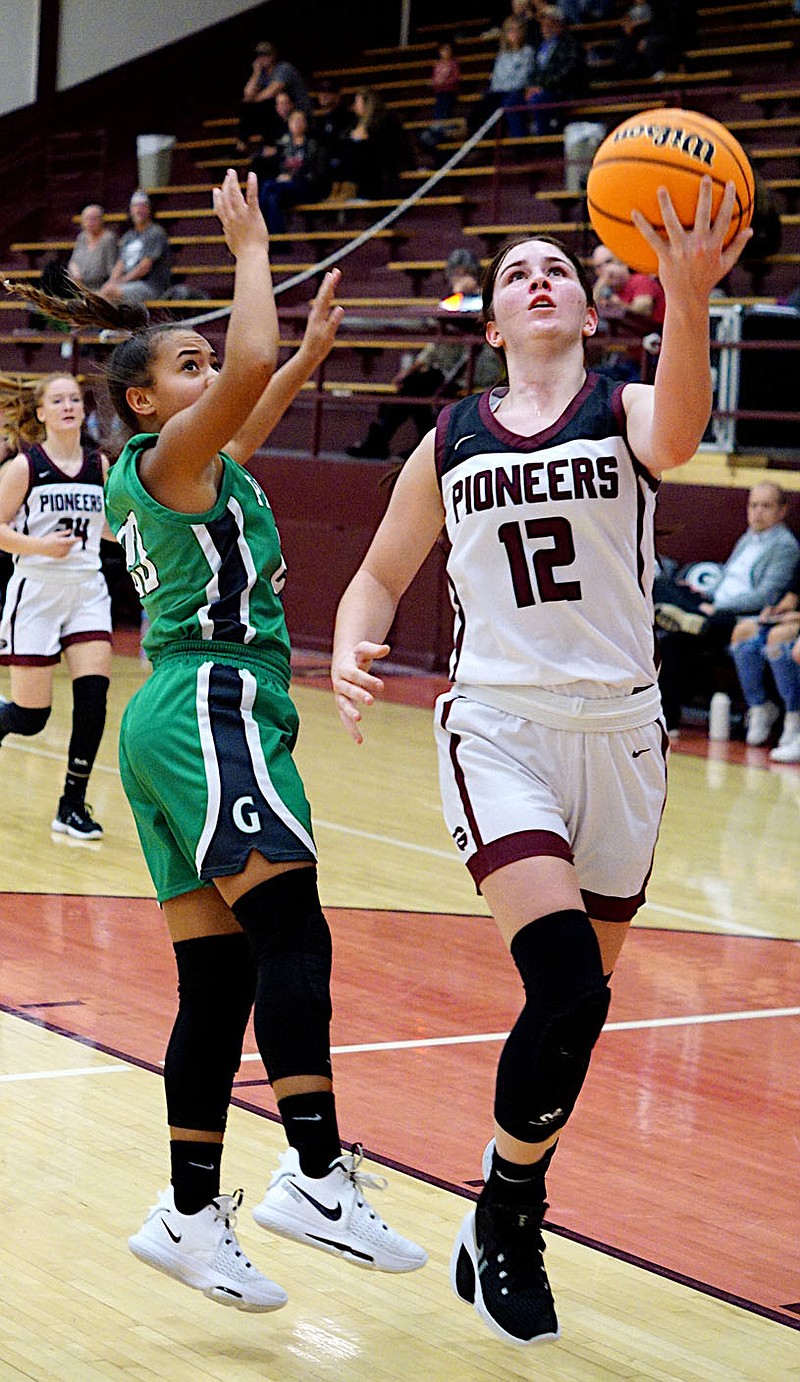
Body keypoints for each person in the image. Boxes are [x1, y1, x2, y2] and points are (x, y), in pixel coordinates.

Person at [331, 180, 751, 1344]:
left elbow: (679, 433)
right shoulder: (451, 435)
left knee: (581, 1009)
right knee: (563, 983)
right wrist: (354, 640)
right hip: (499, 729)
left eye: (555, 268)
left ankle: (500, 1188)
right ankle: (513, 1211)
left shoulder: (622, 407)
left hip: (621, 733)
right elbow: (378, 569)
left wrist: (683, 295)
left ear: (582, 302)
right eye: (515, 274)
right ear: (493, 324)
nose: (537, 280)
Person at [4, 170, 425, 1309]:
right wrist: (251, 257)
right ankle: (314, 1170)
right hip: (208, 702)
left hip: (174, 716)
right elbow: (241, 374)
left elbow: (253, 392)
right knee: (294, 928)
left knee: (220, 975)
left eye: (205, 363)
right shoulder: (166, 463)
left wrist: (306, 354)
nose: (212, 379)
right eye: (183, 369)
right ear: (143, 407)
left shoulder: (203, 467)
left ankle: (188, 1212)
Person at [0, 372, 112, 839]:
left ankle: (71, 805)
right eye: (57, 400)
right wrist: (41, 547)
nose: (68, 406)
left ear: (83, 411)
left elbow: (106, 527)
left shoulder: (100, 464)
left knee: (93, 700)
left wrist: (140, 533)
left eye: (74, 399)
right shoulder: (25, 467)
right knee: (30, 718)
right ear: (42, 412)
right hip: (37, 592)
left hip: (87, 591)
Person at [654, 483, 800, 733]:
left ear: (782, 511)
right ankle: (670, 721)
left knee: (680, 631)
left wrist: (718, 606)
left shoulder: (785, 546)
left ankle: (689, 616)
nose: (758, 512)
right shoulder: (748, 537)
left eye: (766, 506)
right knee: (664, 592)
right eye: (753, 505)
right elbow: (728, 577)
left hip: (739, 617)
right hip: (714, 608)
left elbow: (767, 596)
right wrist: (704, 595)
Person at [346, 252, 503, 460]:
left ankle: (393, 443)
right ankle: (410, 444)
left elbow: (477, 326)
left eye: (464, 272)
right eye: (455, 273)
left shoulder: (487, 299)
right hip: (447, 369)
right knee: (412, 384)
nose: (459, 277)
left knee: (417, 386)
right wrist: (412, 367)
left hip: (476, 368)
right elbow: (437, 340)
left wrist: (469, 294)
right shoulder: (452, 301)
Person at [729, 578, 800, 755]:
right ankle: (760, 706)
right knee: (743, 633)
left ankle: (794, 715)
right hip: (789, 618)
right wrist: (775, 608)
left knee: (780, 639)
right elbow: (791, 591)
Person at [258, 110, 327, 233]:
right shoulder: (284, 146)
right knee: (273, 198)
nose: (298, 123)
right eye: (294, 120)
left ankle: (260, 229)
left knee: (267, 186)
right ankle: (279, 241)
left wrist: (292, 177)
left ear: (306, 123)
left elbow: (316, 171)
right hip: (286, 187)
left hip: (307, 186)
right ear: (289, 124)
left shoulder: (313, 145)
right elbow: (280, 168)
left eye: (301, 120)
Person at [237, 40, 311, 153]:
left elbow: (271, 92)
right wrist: (256, 73)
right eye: (259, 56)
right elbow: (247, 94)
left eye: (266, 55)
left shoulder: (283, 68)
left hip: (297, 109)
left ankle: (267, 144)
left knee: (261, 106)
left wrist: (252, 100)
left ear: (273, 55)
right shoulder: (262, 73)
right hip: (279, 111)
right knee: (247, 106)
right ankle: (244, 141)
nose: (262, 58)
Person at [100, 191, 172, 305]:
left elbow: (144, 267)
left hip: (151, 286)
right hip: (129, 284)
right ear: (131, 210)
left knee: (110, 294)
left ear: (149, 209)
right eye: (135, 206)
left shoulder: (156, 233)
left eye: (143, 206)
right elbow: (120, 263)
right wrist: (112, 281)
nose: (139, 210)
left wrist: (121, 282)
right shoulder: (129, 235)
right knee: (101, 293)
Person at [470, 16, 534, 140]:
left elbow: (523, 77)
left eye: (517, 30)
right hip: (499, 91)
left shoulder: (527, 52)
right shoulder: (502, 54)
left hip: (517, 91)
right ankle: (484, 142)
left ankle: (519, 141)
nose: (513, 33)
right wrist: (499, 89)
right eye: (510, 30)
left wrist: (504, 88)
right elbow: (496, 77)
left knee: (509, 102)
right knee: (480, 107)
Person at [525, 6, 586, 136]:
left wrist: (542, 86)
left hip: (563, 90)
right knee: (513, 100)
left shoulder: (571, 44)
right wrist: (531, 86)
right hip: (541, 90)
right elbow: (532, 70)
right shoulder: (539, 46)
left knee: (537, 99)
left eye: (550, 22)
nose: (545, 27)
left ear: (559, 23)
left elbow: (568, 72)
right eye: (543, 23)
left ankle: (542, 140)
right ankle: (519, 144)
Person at [67, 205, 119, 293]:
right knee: (51, 271)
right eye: (87, 218)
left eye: (94, 219)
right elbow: (73, 261)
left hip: (100, 285)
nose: (90, 222)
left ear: (101, 220)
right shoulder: (82, 237)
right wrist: (75, 272)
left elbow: (112, 267)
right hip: (79, 284)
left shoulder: (108, 238)